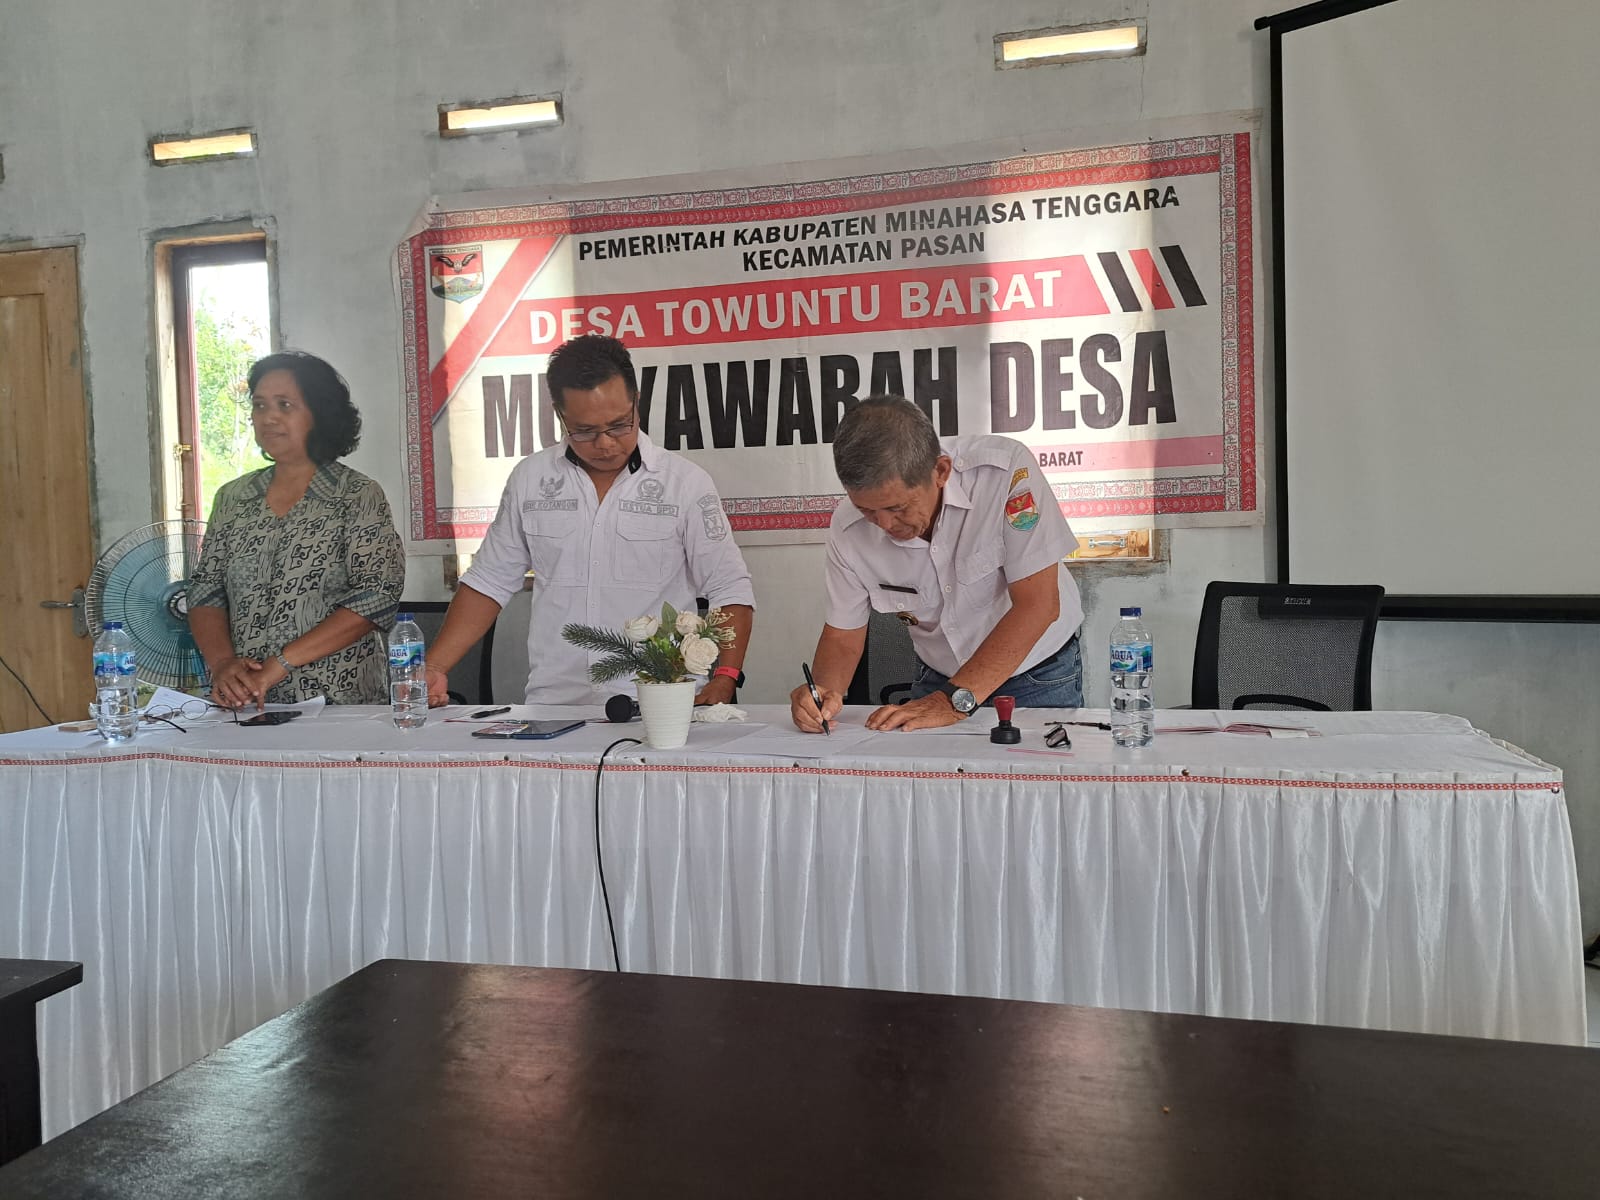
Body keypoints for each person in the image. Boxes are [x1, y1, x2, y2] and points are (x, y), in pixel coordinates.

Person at [424, 335, 755, 706]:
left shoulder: (685, 484)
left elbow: (729, 587)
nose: (605, 443)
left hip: (662, 700)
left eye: (619, 425)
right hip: (555, 703)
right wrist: (435, 667)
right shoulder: (531, 479)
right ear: (560, 414)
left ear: (636, 403)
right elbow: (489, 581)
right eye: (584, 431)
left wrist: (725, 678)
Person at [790, 395, 1084, 733]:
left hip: (1036, 675)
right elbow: (843, 635)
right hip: (939, 678)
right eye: (867, 510)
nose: (884, 524)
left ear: (941, 471)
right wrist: (823, 695)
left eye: (898, 508)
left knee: (1039, 766)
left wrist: (952, 702)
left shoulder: (1004, 473)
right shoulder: (847, 528)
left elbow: (1039, 605)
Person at [188, 351, 406, 708]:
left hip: (339, 703)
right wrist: (223, 664)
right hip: (246, 704)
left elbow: (376, 596)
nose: (268, 417)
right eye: (259, 405)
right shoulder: (233, 498)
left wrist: (279, 665)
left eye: (285, 405)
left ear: (320, 414)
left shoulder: (355, 495)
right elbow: (205, 589)